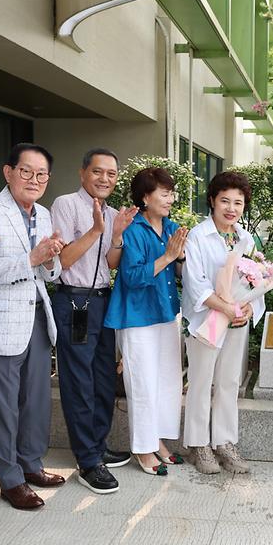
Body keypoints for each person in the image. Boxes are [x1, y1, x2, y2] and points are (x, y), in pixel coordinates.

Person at [0, 143, 66, 510]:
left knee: (36, 401)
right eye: (26, 171)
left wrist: (49, 259)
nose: (34, 180)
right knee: (3, 406)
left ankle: (31, 464)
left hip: (37, 317)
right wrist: (33, 258)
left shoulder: (42, 213)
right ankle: (9, 478)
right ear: (8, 172)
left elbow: (49, 273)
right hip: (0, 320)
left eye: (41, 174)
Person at [51, 148, 137, 494]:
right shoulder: (65, 205)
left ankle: (98, 446)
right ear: (83, 172)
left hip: (102, 300)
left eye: (112, 174)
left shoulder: (114, 212)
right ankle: (87, 460)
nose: (105, 179)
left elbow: (112, 264)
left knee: (103, 379)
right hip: (73, 299)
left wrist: (115, 235)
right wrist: (95, 230)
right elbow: (64, 260)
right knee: (78, 382)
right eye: (98, 172)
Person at [105, 168, 188, 476]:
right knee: (141, 383)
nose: (171, 199)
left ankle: (158, 441)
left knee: (167, 382)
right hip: (137, 317)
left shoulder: (172, 226)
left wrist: (181, 259)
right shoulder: (133, 229)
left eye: (171, 193)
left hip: (167, 313)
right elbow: (132, 277)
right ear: (145, 197)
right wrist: (167, 256)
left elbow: (180, 273)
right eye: (164, 193)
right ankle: (142, 448)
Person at [182, 171, 262, 474]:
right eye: (225, 200)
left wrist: (250, 308)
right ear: (212, 200)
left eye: (238, 202)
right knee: (201, 382)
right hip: (207, 321)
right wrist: (226, 308)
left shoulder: (245, 238)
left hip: (237, 322)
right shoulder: (198, 237)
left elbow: (257, 278)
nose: (231, 208)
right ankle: (199, 445)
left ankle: (225, 442)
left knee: (229, 382)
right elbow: (196, 285)